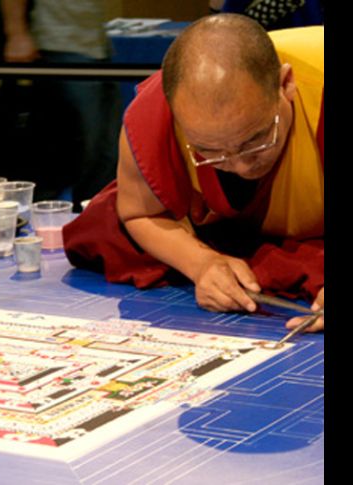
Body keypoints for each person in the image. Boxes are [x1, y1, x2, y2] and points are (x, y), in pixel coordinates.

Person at [62, 14, 324, 332]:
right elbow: (139, 213)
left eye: (256, 140)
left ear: (286, 84)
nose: (241, 166)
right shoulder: (155, 111)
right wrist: (201, 263)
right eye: (209, 151)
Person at [0, 0, 123, 204]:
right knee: (79, 148)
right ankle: (54, 214)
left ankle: (93, 216)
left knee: (107, 149)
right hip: (60, 45)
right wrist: (16, 33)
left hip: (97, 46)